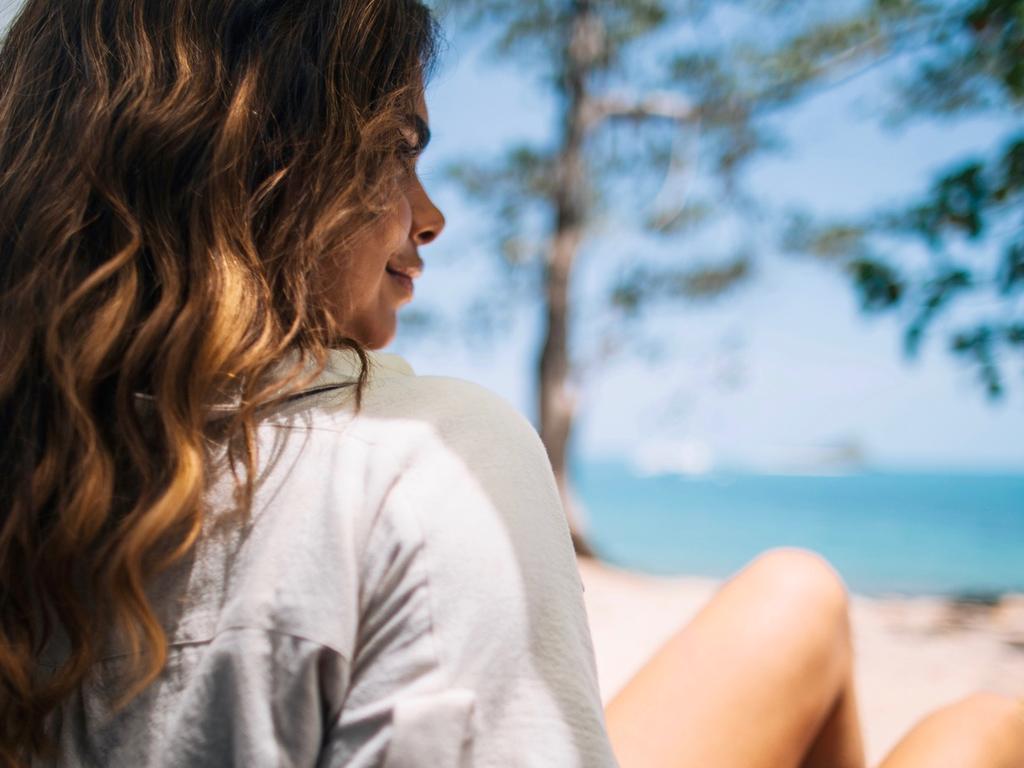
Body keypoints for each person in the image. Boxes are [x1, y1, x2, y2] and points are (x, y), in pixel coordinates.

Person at [0, 1, 1020, 766]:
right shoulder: (414, 465)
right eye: (396, 154)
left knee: (795, 597)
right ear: (256, 170)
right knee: (982, 732)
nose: (431, 216)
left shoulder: (44, 446)